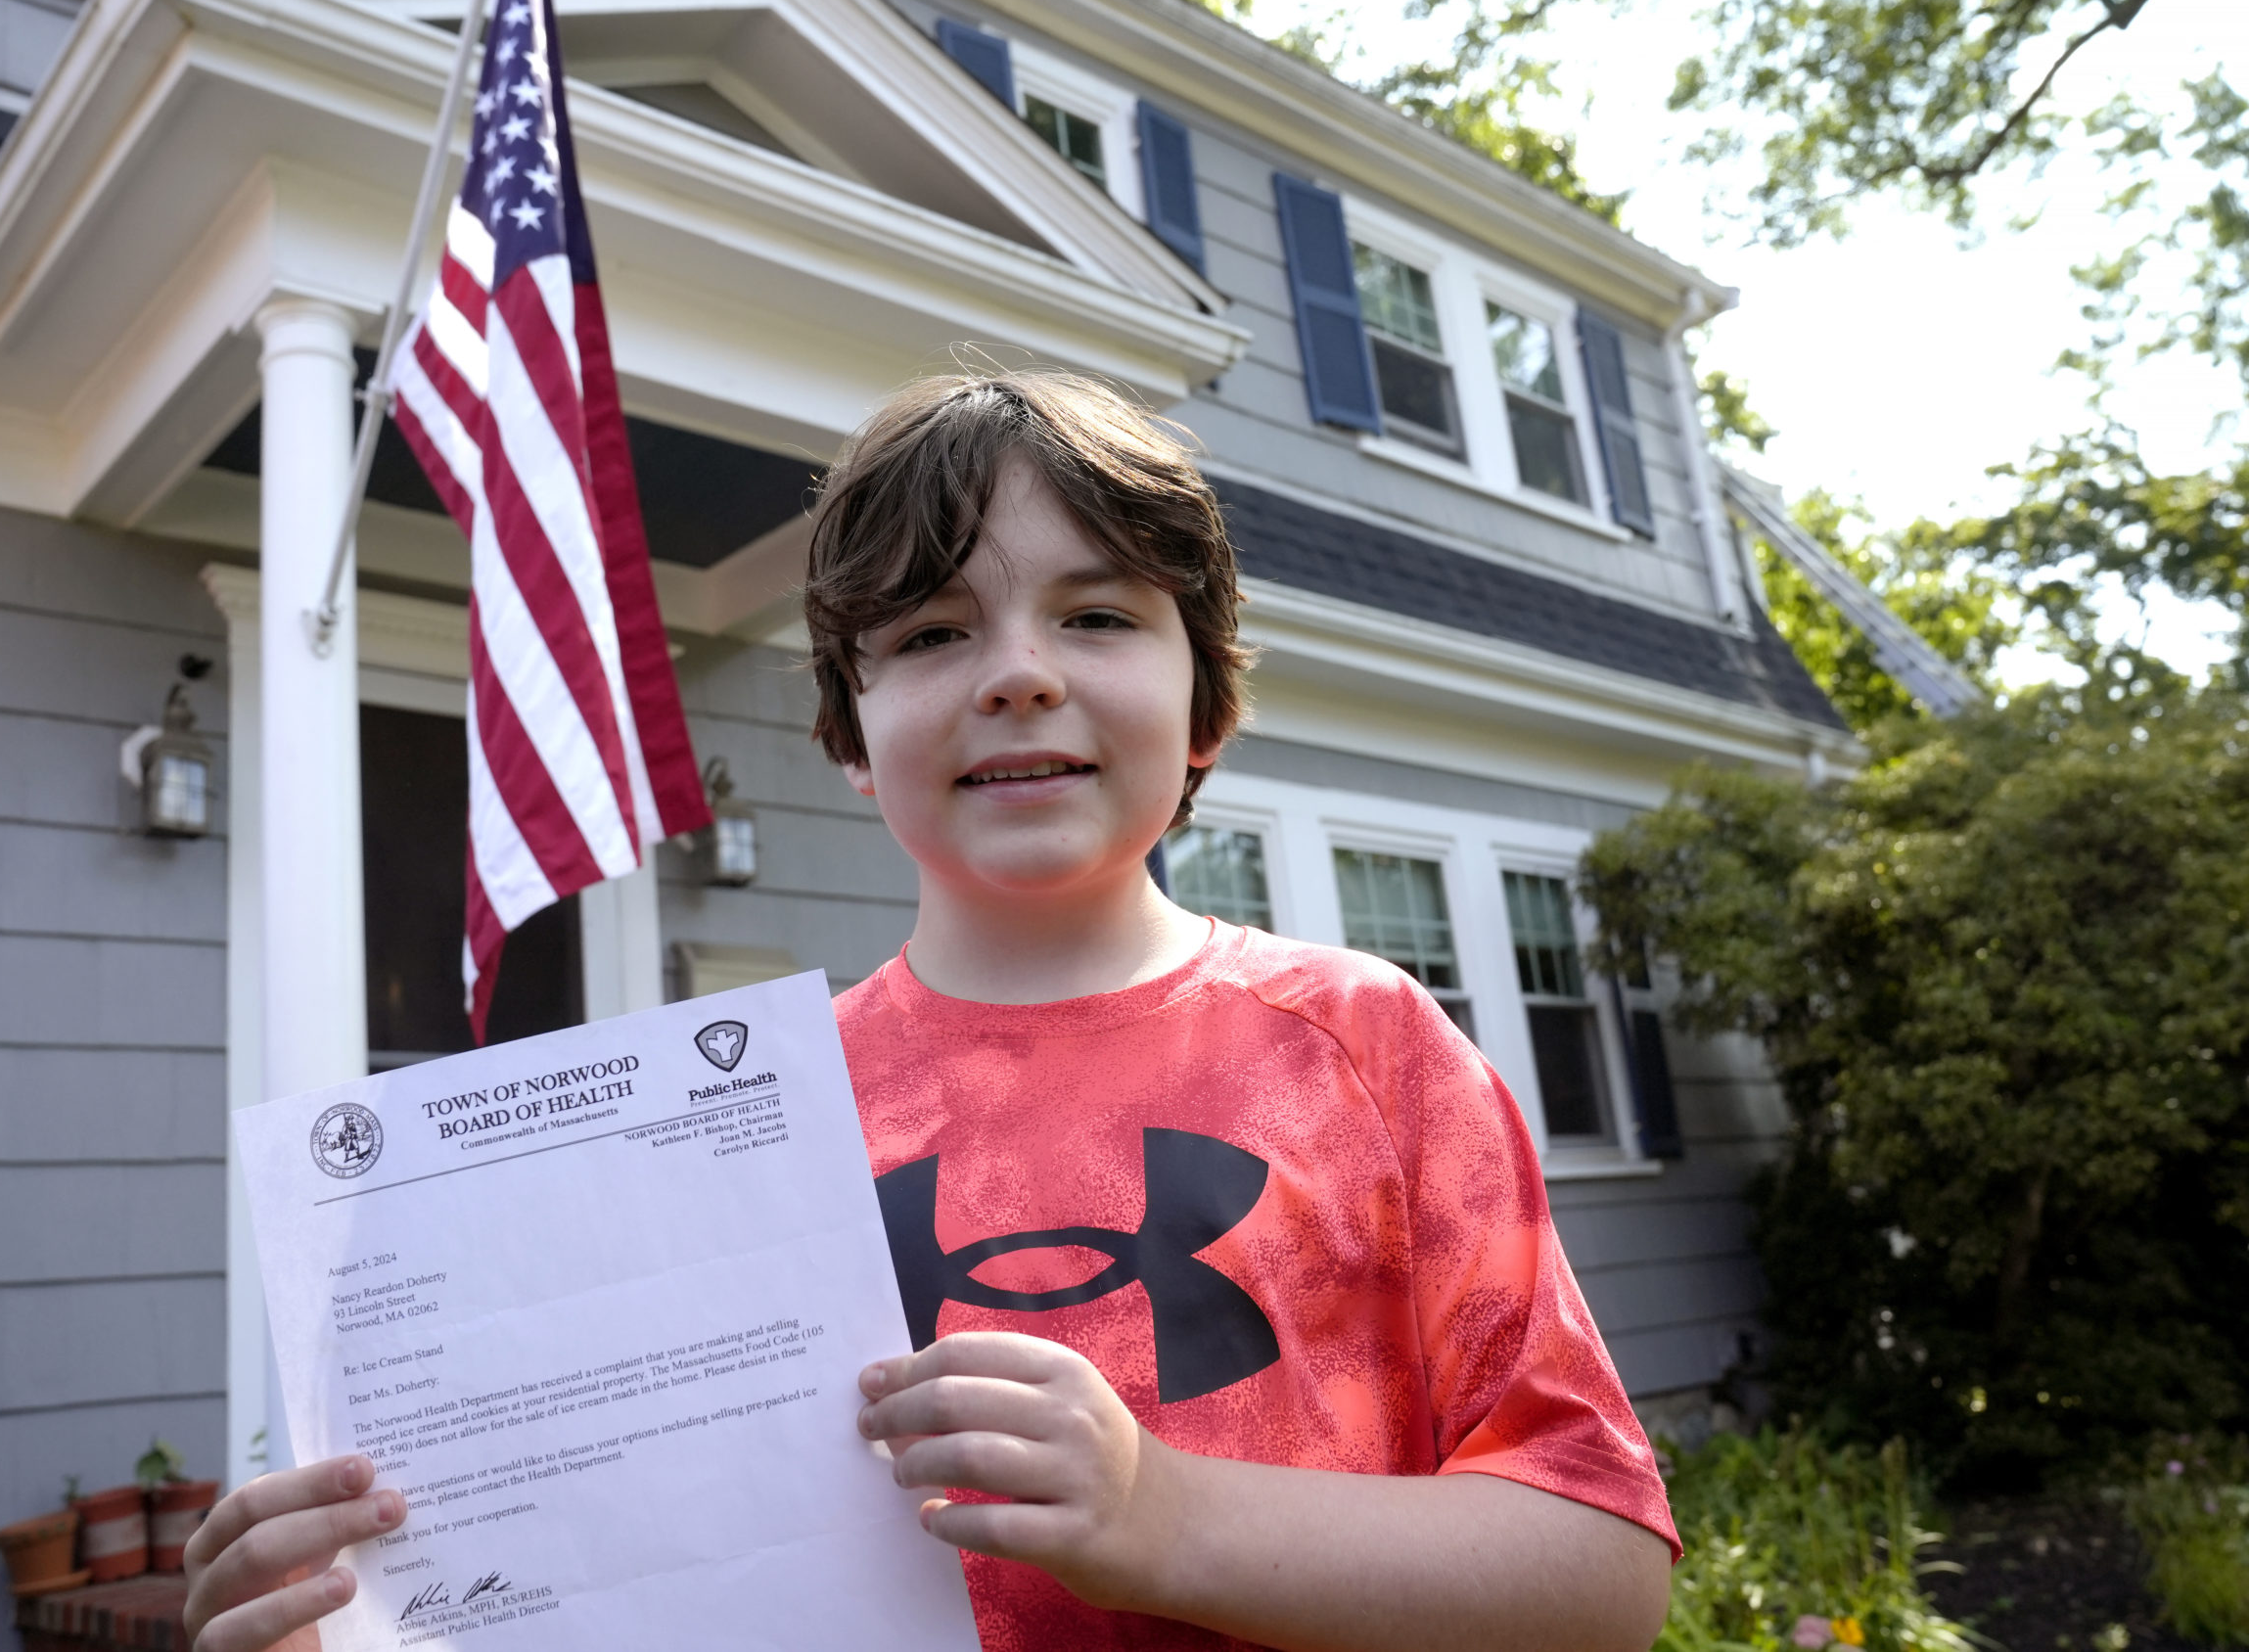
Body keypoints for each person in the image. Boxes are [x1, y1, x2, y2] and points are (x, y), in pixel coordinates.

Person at [182, 372, 1677, 1652]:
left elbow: (1599, 1570)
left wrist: (1161, 1516)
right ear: (850, 731)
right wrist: (379, 1611)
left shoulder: (1366, 1044)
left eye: (1096, 615)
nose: (1018, 675)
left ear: (1208, 702)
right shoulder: (737, 1130)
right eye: (930, 635)